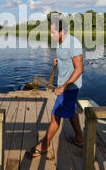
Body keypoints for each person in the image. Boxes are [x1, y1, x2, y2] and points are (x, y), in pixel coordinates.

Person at [27, 17, 84, 157]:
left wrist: (63, 87)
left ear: (62, 31)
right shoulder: (61, 42)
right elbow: (67, 58)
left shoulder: (73, 43)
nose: (51, 34)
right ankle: (80, 139)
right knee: (71, 113)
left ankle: (44, 146)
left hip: (70, 87)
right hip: (65, 86)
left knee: (55, 115)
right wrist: (59, 60)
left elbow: (79, 69)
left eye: (53, 32)